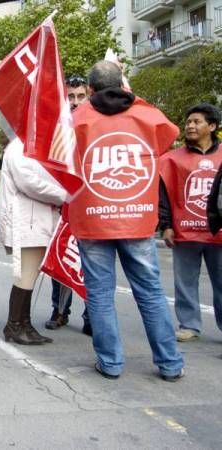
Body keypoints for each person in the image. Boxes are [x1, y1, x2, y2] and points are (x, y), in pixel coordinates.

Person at [68, 61, 184, 381]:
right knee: (150, 291)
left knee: (100, 293)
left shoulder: (76, 119)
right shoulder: (146, 115)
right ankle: (170, 362)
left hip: (92, 218)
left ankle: (111, 362)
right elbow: (167, 138)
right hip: (136, 218)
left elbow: (58, 159)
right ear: (123, 84)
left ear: (89, 91)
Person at [159, 103, 222, 342]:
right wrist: (165, 225)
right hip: (185, 232)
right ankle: (189, 325)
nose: (191, 126)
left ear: (212, 126)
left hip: (219, 233)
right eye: (188, 122)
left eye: (197, 122)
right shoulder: (172, 159)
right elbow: (163, 194)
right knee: (184, 281)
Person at [0, 137, 64, 345]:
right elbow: (29, 182)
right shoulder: (19, 146)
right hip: (26, 222)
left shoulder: (35, 145)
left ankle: (24, 324)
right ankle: (15, 325)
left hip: (34, 221)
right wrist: (65, 194)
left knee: (29, 276)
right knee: (25, 276)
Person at [45, 75, 91, 335]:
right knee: (63, 259)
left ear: (89, 96)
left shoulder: (97, 125)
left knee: (93, 265)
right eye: (70, 97)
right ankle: (59, 311)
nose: (75, 102)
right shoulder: (59, 130)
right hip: (64, 206)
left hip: (93, 208)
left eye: (80, 96)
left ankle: (92, 315)